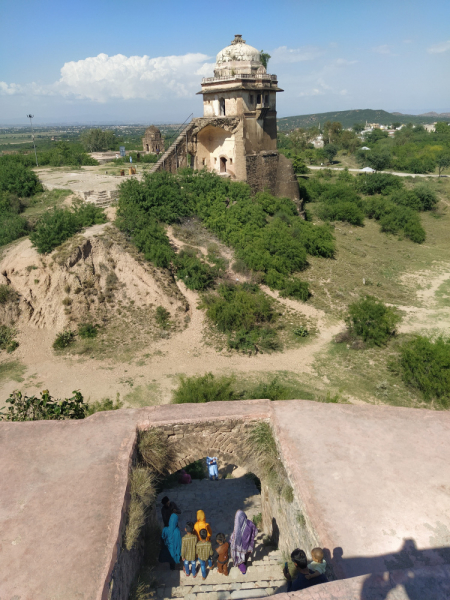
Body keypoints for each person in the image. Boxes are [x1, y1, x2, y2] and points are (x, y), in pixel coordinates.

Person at [229, 509, 258, 575]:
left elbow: (232, 539)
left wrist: (230, 541)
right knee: (246, 556)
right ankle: (245, 562)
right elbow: (255, 532)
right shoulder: (250, 523)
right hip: (248, 546)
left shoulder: (237, 529)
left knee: (240, 559)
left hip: (240, 548)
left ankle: (243, 570)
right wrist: (250, 538)